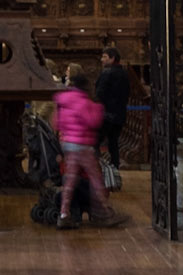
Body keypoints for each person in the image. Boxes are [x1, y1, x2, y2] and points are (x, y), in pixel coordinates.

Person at [53, 66, 117, 228]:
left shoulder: (64, 100)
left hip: (68, 144)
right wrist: (98, 109)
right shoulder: (84, 101)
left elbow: (57, 122)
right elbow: (93, 122)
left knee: (70, 180)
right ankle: (103, 213)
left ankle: (64, 214)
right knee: (96, 180)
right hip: (83, 145)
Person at [95, 46, 129, 171]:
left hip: (106, 115)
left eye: (104, 57)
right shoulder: (125, 74)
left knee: (95, 142)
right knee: (113, 144)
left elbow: (100, 94)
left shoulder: (107, 73)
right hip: (119, 114)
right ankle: (115, 172)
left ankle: (96, 171)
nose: (101, 59)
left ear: (112, 58)